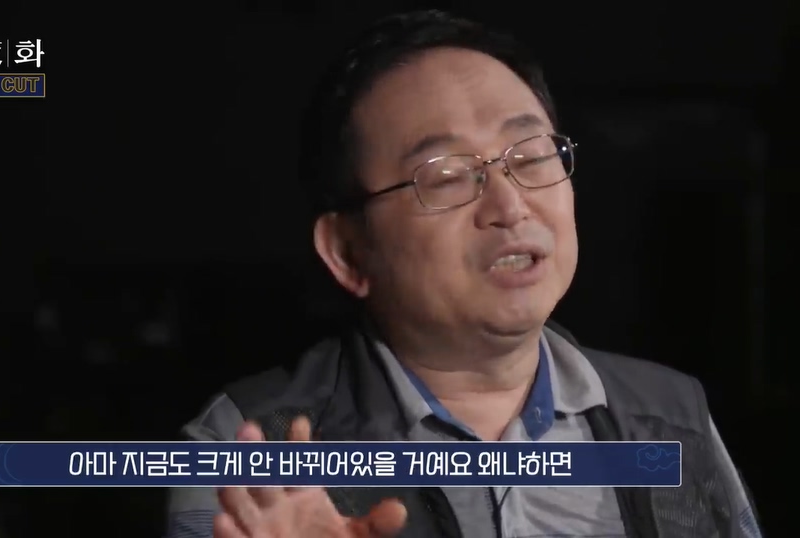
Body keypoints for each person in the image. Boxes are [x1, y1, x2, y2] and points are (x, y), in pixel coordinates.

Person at [167, 10, 762, 538]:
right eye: (447, 176)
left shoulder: (670, 419)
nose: (510, 206)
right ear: (348, 252)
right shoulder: (249, 449)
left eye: (531, 156)